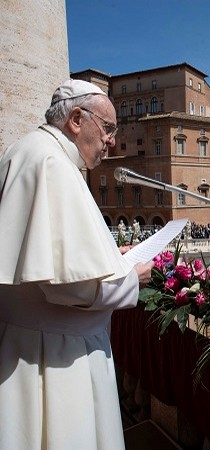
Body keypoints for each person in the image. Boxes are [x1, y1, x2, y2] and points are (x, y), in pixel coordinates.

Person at [0, 79, 154, 450]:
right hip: (55, 358)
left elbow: (55, 258)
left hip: (32, 342)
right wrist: (131, 278)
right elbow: (66, 286)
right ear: (75, 119)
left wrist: (108, 258)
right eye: (108, 128)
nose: (112, 141)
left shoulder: (27, 151)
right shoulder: (52, 163)